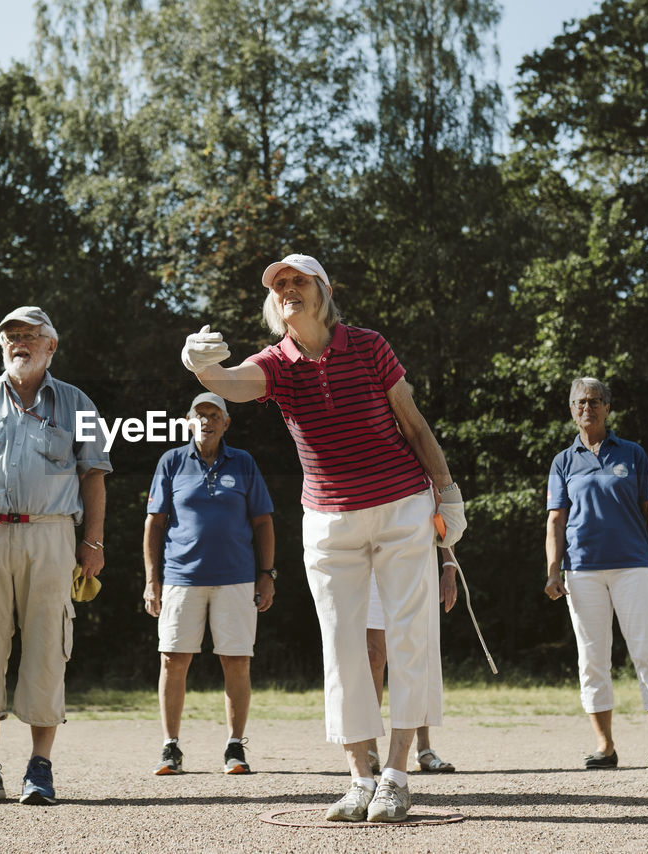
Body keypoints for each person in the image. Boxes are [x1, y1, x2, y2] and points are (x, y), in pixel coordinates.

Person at [179, 253, 466, 823]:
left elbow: (411, 420)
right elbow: (234, 384)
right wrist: (203, 370)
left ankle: (397, 774)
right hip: (328, 519)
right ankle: (360, 776)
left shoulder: (368, 345)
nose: (287, 289)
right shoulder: (278, 362)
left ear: (323, 292)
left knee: (408, 637)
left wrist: (447, 488)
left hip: (400, 504)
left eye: (298, 281)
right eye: (279, 284)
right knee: (341, 646)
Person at [0, 306, 111, 807]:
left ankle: (40, 769)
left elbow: (94, 475)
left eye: (30, 335)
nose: (19, 343)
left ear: (51, 346)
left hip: (52, 535)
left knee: (47, 645)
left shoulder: (79, 402)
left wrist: (92, 543)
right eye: (11, 336)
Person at [545, 377, 648, 770]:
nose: (588, 408)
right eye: (580, 402)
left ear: (607, 407)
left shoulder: (633, 454)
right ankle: (604, 746)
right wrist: (553, 571)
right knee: (592, 657)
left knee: (646, 649)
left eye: (595, 401)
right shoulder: (562, 462)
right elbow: (555, 520)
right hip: (581, 570)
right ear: (571, 410)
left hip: (634, 565)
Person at [143, 392, 276, 776]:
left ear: (226, 422)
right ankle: (171, 748)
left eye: (214, 415)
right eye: (200, 415)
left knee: (236, 660)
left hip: (236, 579)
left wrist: (267, 575)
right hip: (181, 578)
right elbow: (154, 523)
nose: (207, 421)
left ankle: (235, 747)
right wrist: (152, 580)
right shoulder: (170, 462)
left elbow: (264, 522)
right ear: (188, 421)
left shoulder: (244, 462)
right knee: (173, 658)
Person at [363, 550, 459, 775]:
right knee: (373, 656)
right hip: (370, 556)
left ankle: (423, 748)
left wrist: (449, 567)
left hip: (414, 557)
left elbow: (446, 516)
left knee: (412, 652)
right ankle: (369, 748)